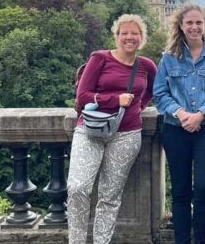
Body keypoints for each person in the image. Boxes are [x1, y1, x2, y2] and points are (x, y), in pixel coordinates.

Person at [68, 14, 158, 244]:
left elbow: (152, 91)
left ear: (141, 38)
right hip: (91, 130)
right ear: (116, 36)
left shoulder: (146, 66)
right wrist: (115, 100)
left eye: (134, 33)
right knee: (78, 188)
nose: (130, 37)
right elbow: (83, 96)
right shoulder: (100, 58)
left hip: (127, 135)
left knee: (110, 196)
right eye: (125, 33)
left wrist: (139, 106)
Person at [153, 3, 205, 244]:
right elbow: (160, 93)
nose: (194, 27)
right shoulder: (168, 57)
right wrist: (181, 114)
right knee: (181, 190)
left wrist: (200, 115)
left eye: (198, 22)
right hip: (176, 129)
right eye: (190, 23)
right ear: (181, 26)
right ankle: (182, 240)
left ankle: (202, 240)